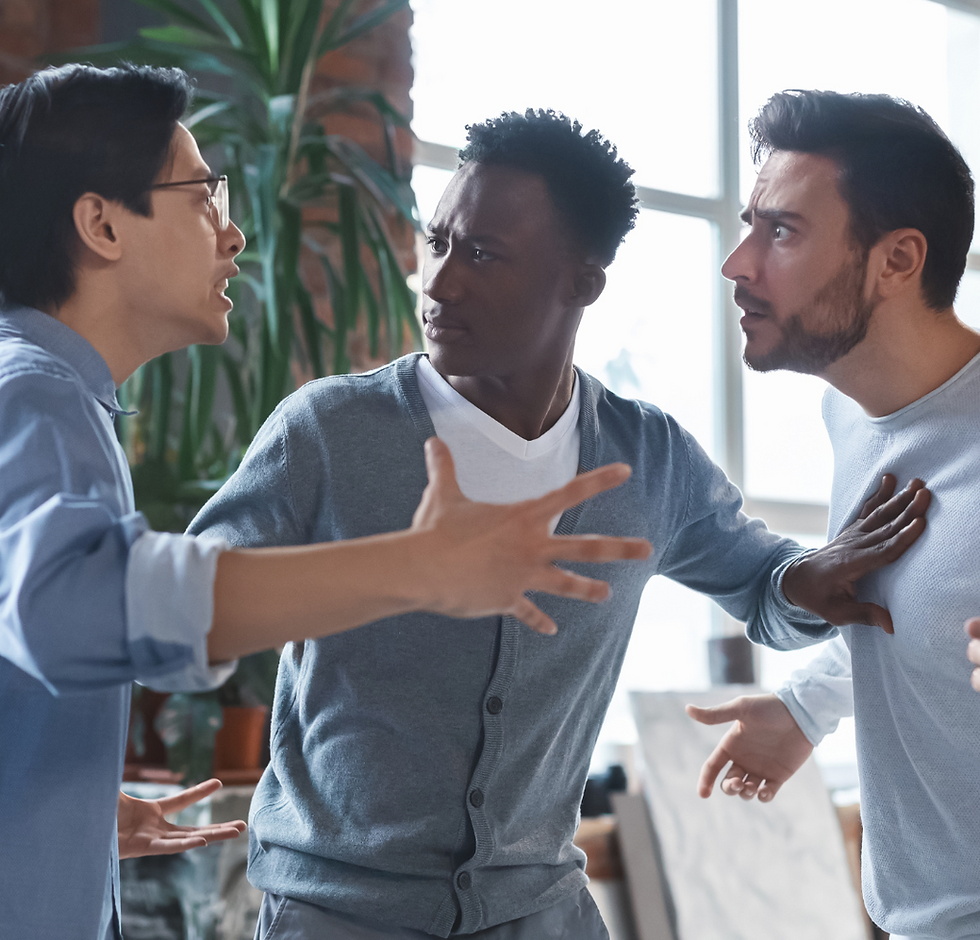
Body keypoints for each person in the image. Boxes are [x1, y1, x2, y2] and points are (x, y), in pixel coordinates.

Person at [187, 108, 928, 940]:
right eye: (437, 243)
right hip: (337, 914)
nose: (439, 281)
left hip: (540, 912)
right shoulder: (327, 433)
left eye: (483, 254)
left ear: (582, 281)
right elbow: (183, 621)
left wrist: (812, 579)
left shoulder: (646, 456)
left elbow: (763, 587)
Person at [0, 65, 655, 940]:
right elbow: (68, 606)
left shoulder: (50, 397)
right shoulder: (37, 397)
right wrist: (411, 567)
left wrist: (57, 807)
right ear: (102, 223)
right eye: (202, 196)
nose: (232, 235)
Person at [688, 89, 980, 940]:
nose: (738, 262)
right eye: (750, 224)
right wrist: (809, 706)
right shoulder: (849, 415)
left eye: (781, 231)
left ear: (897, 261)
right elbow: (927, 601)